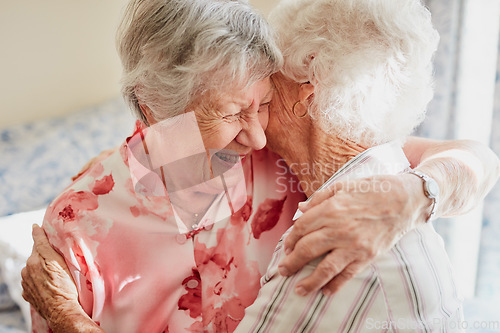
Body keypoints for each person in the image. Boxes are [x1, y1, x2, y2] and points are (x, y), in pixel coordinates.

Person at [21, 0, 500, 332]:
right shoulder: (78, 232)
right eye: (230, 113)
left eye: (264, 101)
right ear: (150, 111)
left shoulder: (289, 152)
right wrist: (69, 321)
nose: (256, 135)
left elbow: (477, 161)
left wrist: (413, 195)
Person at [232, 0, 500, 331]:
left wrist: (415, 195)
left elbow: (478, 162)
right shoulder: (381, 167)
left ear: (308, 87)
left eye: (270, 71)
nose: (259, 85)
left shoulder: (338, 236)